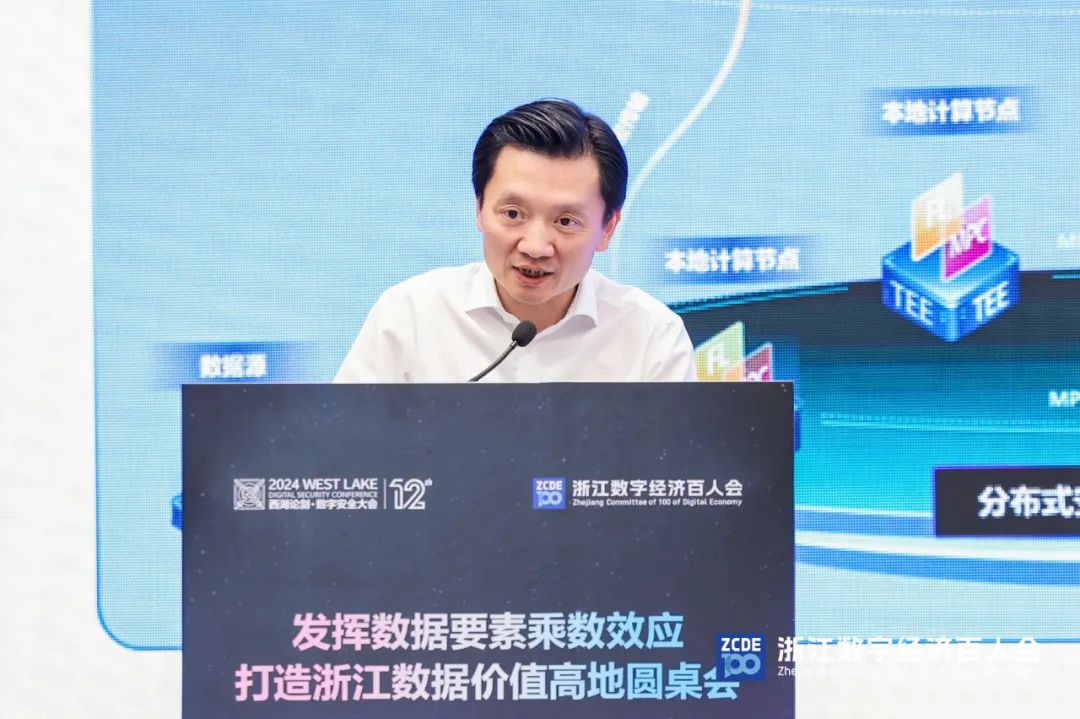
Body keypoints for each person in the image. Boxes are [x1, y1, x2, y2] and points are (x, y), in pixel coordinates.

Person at [334, 98, 696, 383]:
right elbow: (343, 447)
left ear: (607, 229)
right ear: (480, 209)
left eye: (565, 221)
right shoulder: (409, 315)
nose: (535, 247)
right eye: (513, 214)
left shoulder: (651, 335)